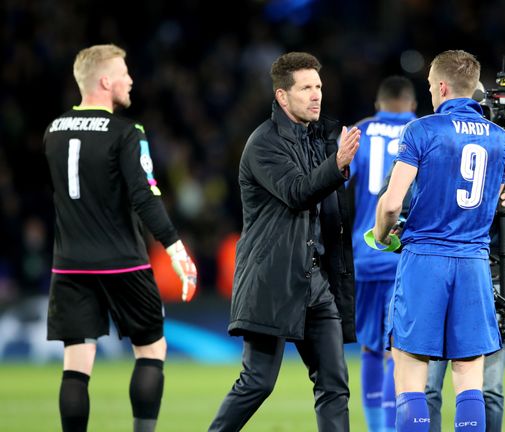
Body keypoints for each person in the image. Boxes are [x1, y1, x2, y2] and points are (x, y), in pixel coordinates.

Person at [44, 44, 198, 432]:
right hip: (123, 262)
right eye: (124, 72)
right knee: (151, 351)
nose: (130, 79)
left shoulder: (54, 130)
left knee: (76, 366)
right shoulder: (127, 133)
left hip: (69, 264)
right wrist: (177, 250)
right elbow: (145, 197)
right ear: (104, 80)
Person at [208, 52, 361, 432]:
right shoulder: (263, 144)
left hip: (315, 283)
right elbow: (297, 192)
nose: (316, 95)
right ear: (281, 96)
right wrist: (337, 164)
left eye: (319, 86)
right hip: (271, 281)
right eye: (306, 88)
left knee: (334, 385)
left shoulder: (316, 140)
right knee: (258, 382)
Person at [373, 50, 505, 432]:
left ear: (440, 86)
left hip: (425, 260)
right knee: (469, 377)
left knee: (410, 372)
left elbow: (391, 204)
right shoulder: (503, 142)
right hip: (473, 263)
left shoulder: (421, 130)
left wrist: (383, 236)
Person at [424, 83, 505, 431]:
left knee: (487, 388)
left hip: (486, 283)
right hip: (443, 279)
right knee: (430, 387)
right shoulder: (433, 143)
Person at [349, 76, 417, 432]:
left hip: (364, 254)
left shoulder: (360, 132)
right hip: (403, 256)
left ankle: (377, 429)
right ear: (412, 104)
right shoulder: (421, 130)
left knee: (370, 349)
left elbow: (337, 185)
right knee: (399, 352)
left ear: (378, 105)